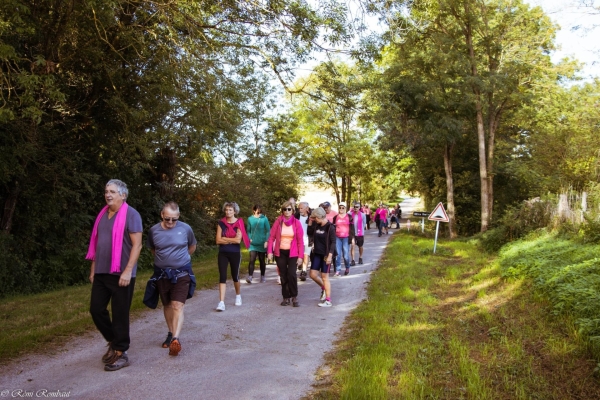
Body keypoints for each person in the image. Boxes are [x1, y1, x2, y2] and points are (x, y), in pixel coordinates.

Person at [86, 179, 143, 371]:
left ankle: (121, 352)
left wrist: (128, 271)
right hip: (102, 270)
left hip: (121, 273)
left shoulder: (131, 215)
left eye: (112, 191)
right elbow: (97, 244)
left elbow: (137, 244)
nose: (108, 194)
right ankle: (113, 340)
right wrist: (93, 269)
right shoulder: (103, 214)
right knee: (96, 309)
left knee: (120, 313)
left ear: (123, 195)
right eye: (106, 191)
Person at [147, 201, 197, 356]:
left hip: (182, 273)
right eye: (167, 218)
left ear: (178, 217)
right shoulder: (154, 230)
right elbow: (153, 250)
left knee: (177, 305)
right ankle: (170, 333)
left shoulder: (186, 229)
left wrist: (181, 260)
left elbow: (192, 246)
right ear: (162, 215)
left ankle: (176, 338)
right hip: (162, 274)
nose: (170, 222)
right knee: (167, 305)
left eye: (173, 219)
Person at [267, 201, 304, 307]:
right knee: (283, 275)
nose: (287, 211)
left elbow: (300, 241)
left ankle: (294, 296)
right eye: (285, 209)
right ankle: (286, 297)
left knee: (291, 274)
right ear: (282, 211)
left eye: (289, 209)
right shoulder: (278, 222)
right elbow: (271, 238)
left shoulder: (297, 223)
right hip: (280, 252)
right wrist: (269, 251)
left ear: (292, 210)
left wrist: (300, 256)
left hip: (293, 253)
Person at [215, 202, 250, 311]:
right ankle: (221, 302)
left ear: (235, 211)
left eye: (230, 210)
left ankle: (238, 295)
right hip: (223, 253)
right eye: (226, 210)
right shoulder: (221, 223)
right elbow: (217, 240)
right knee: (222, 276)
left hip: (235, 253)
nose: (228, 212)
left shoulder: (239, 223)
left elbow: (238, 240)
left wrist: (225, 239)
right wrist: (230, 240)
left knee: (235, 275)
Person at [307, 207, 336, 307]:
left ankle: (328, 300)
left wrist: (330, 256)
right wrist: (310, 222)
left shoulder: (330, 227)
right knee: (313, 274)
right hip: (317, 254)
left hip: (326, 255)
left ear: (320, 217)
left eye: (315, 218)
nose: (315, 220)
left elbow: (333, 243)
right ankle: (324, 288)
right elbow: (309, 233)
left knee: (325, 277)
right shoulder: (316, 225)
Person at [246, 205, 270, 284]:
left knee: (261, 260)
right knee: (252, 259)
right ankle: (250, 276)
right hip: (253, 243)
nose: (258, 212)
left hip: (262, 243)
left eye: (260, 211)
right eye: (257, 210)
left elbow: (268, 231)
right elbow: (248, 231)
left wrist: (266, 240)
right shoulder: (250, 219)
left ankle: (262, 276)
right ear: (254, 210)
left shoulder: (264, 219)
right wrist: (249, 238)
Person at [332, 202, 354, 276]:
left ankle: (347, 267)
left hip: (346, 238)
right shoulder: (335, 217)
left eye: (343, 207)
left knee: (345, 255)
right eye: (340, 207)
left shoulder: (349, 217)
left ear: (345, 208)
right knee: (337, 255)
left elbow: (352, 228)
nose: (341, 209)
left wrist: (353, 238)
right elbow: (333, 228)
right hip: (337, 237)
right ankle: (338, 270)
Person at [295, 201, 312, 281]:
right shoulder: (296, 217)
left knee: (306, 255)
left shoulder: (311, 217)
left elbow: (314, 230)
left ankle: (304, 271)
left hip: (307, 240)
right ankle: (294, 269)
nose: (300, 210)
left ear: (307, 209)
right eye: (299, 208)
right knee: (296, 255)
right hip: (297, 240)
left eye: (302, 208)